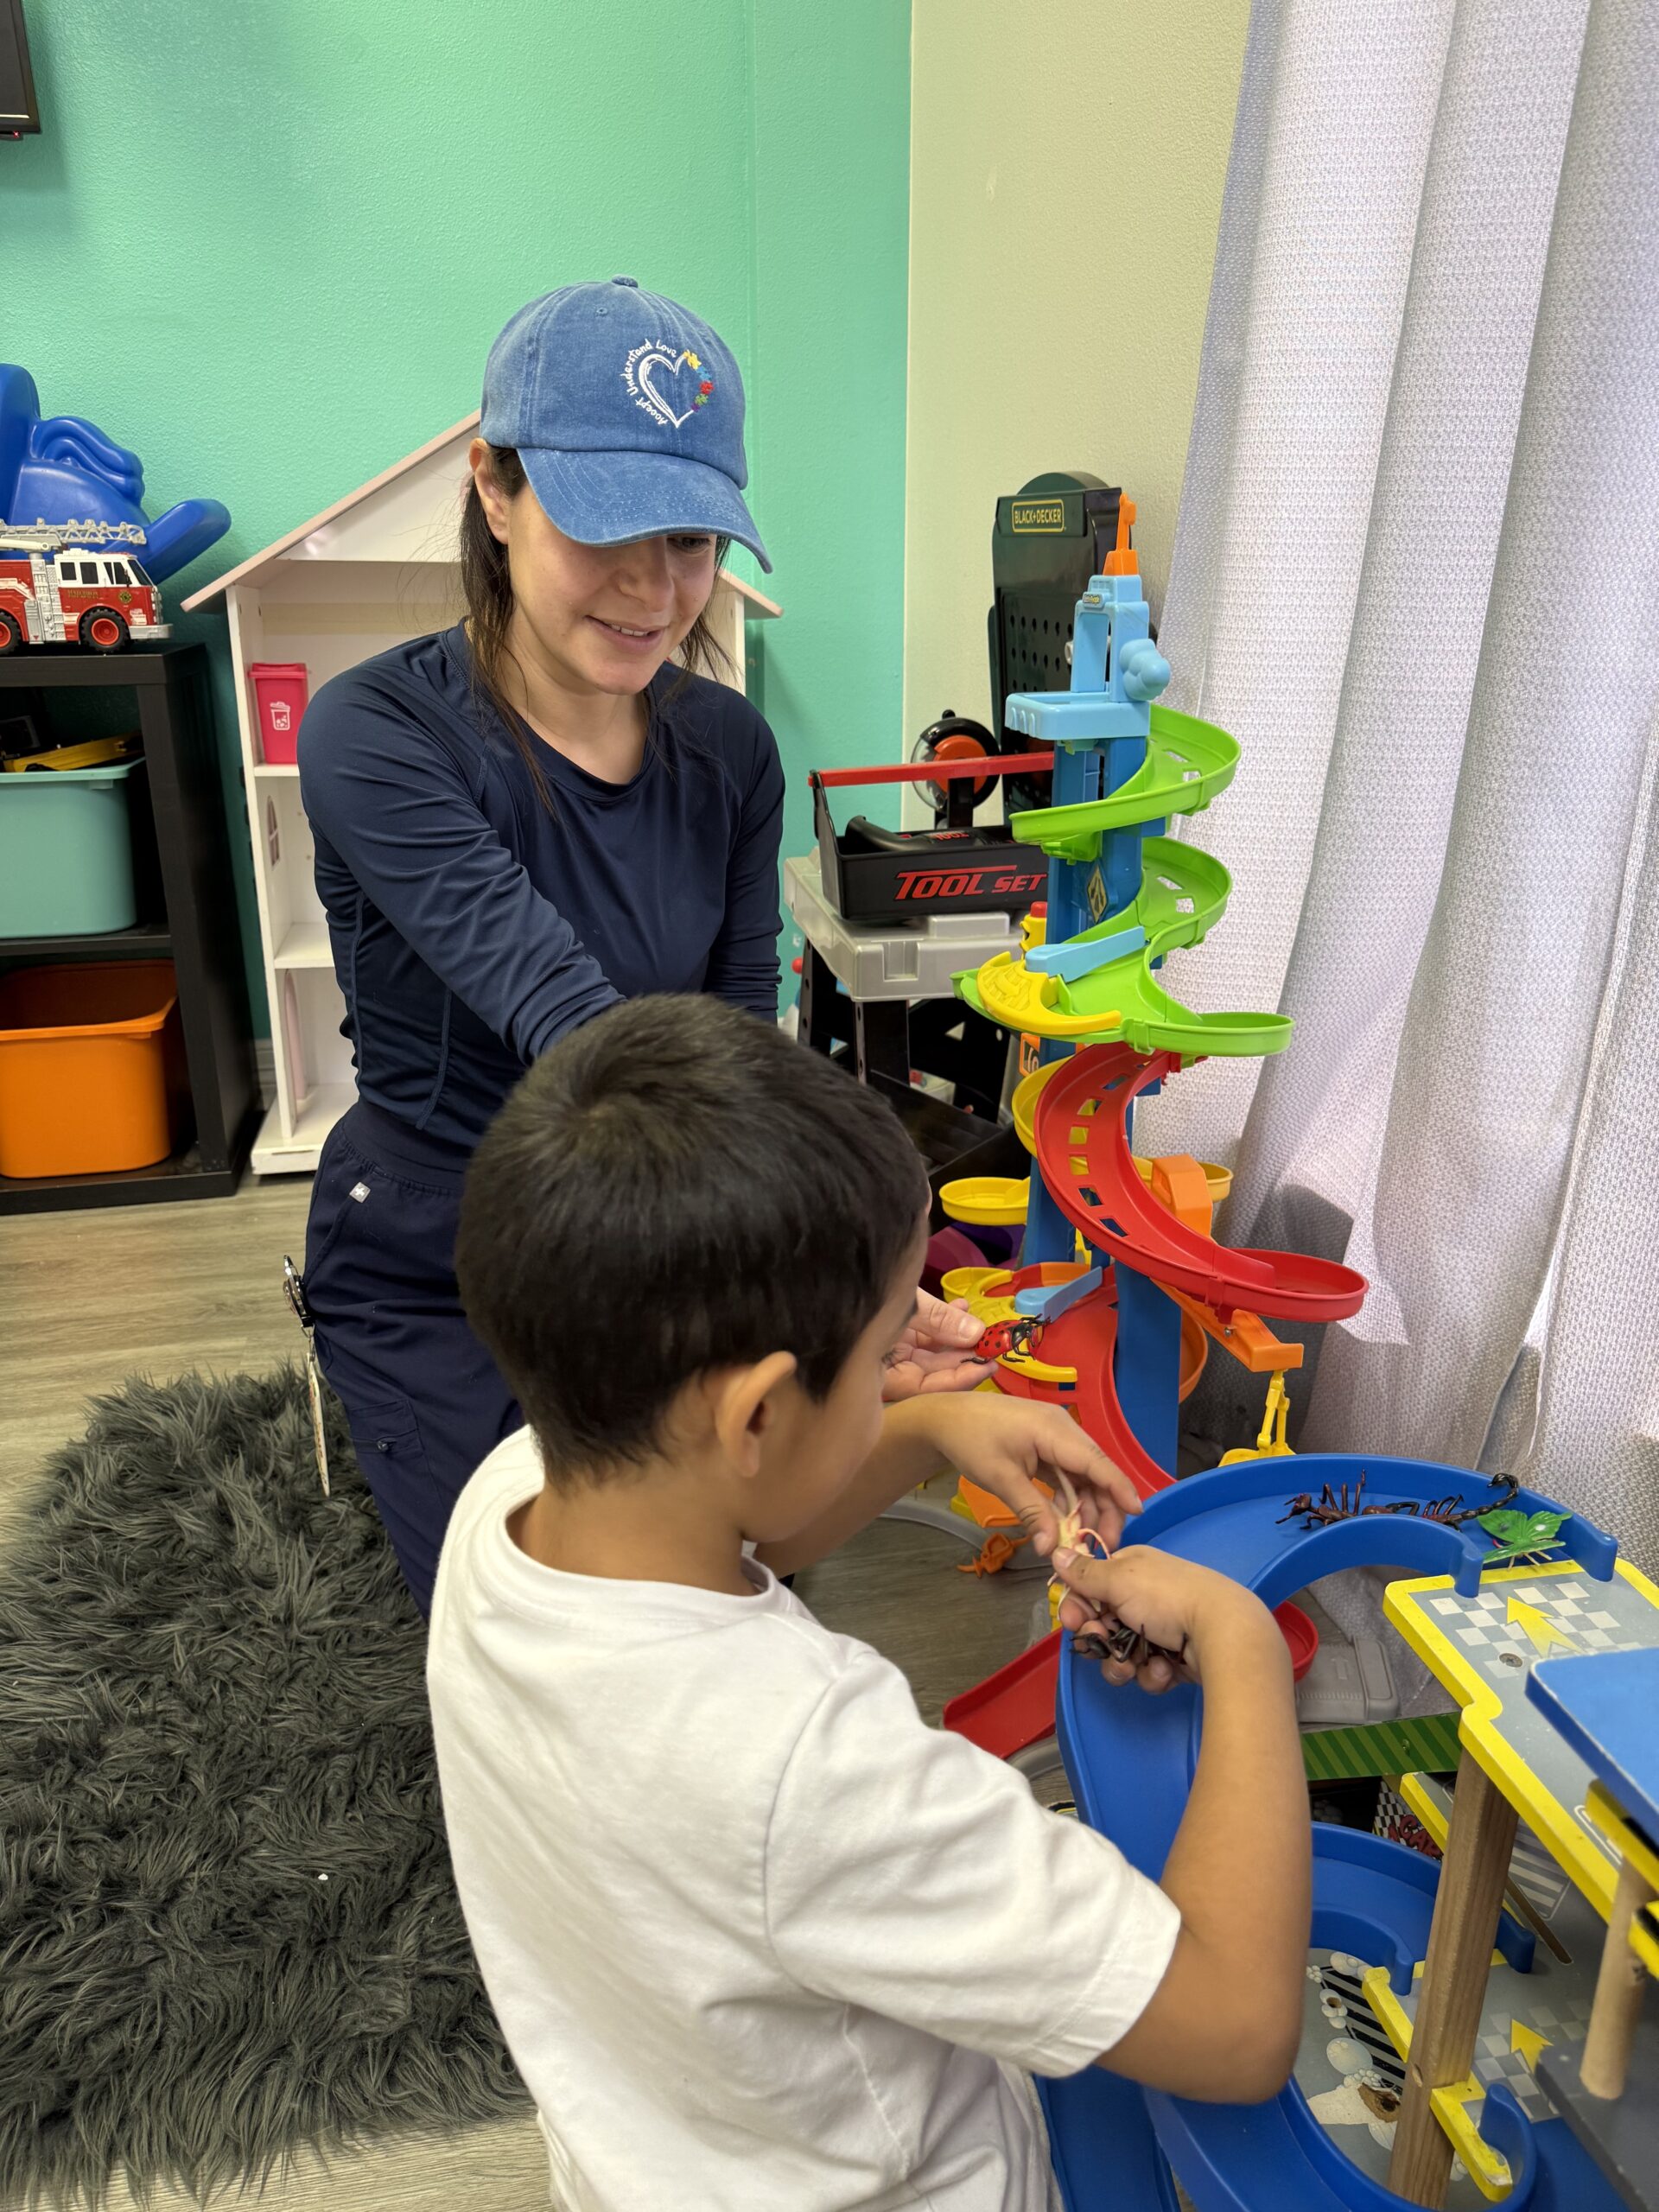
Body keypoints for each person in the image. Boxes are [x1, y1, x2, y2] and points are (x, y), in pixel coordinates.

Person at [428, 995, 1311, 2212]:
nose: (925, 1345)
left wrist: (930, 1423)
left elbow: (745, 1523)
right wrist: (1244, 1641)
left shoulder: (512, 1497)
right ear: (756, 1415)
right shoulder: (815, 1765)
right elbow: (1235, 2028)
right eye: (900, 1332)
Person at [296, 277, 980, 1615]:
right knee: (538, 1622)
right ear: (494, 490)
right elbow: (580, 1025)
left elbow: (733, 1043)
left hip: (648, 1223)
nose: (652, 589)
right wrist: (850, 1250)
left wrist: (843, 1291)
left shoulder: (728, 750)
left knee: (730, 1580)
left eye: (689, 539)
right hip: (442, 1241)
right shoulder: (376, 735)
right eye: (604, 529)